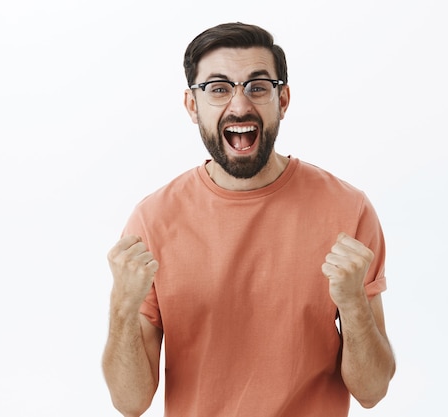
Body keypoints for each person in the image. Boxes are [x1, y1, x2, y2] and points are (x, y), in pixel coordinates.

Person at [102, 22, 396, 417]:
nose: (240, 106)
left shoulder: (349, 211)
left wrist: (354, 304)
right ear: (193, 106)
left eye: (257, 87)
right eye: (218, 88)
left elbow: (372, 391)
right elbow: (130, 402)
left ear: (283, 99)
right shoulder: (153, 221)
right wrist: (122, 306)